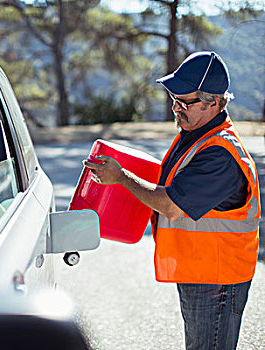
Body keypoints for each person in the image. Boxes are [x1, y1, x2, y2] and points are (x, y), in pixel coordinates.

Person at [84, 51, 260, 350]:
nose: (176, 109)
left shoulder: (220, 154)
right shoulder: (195, 135)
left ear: (214, 102)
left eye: (185, 102)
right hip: (201, 270)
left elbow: (171, 205)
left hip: (217, 278)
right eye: (174, 100)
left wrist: (122, 177)